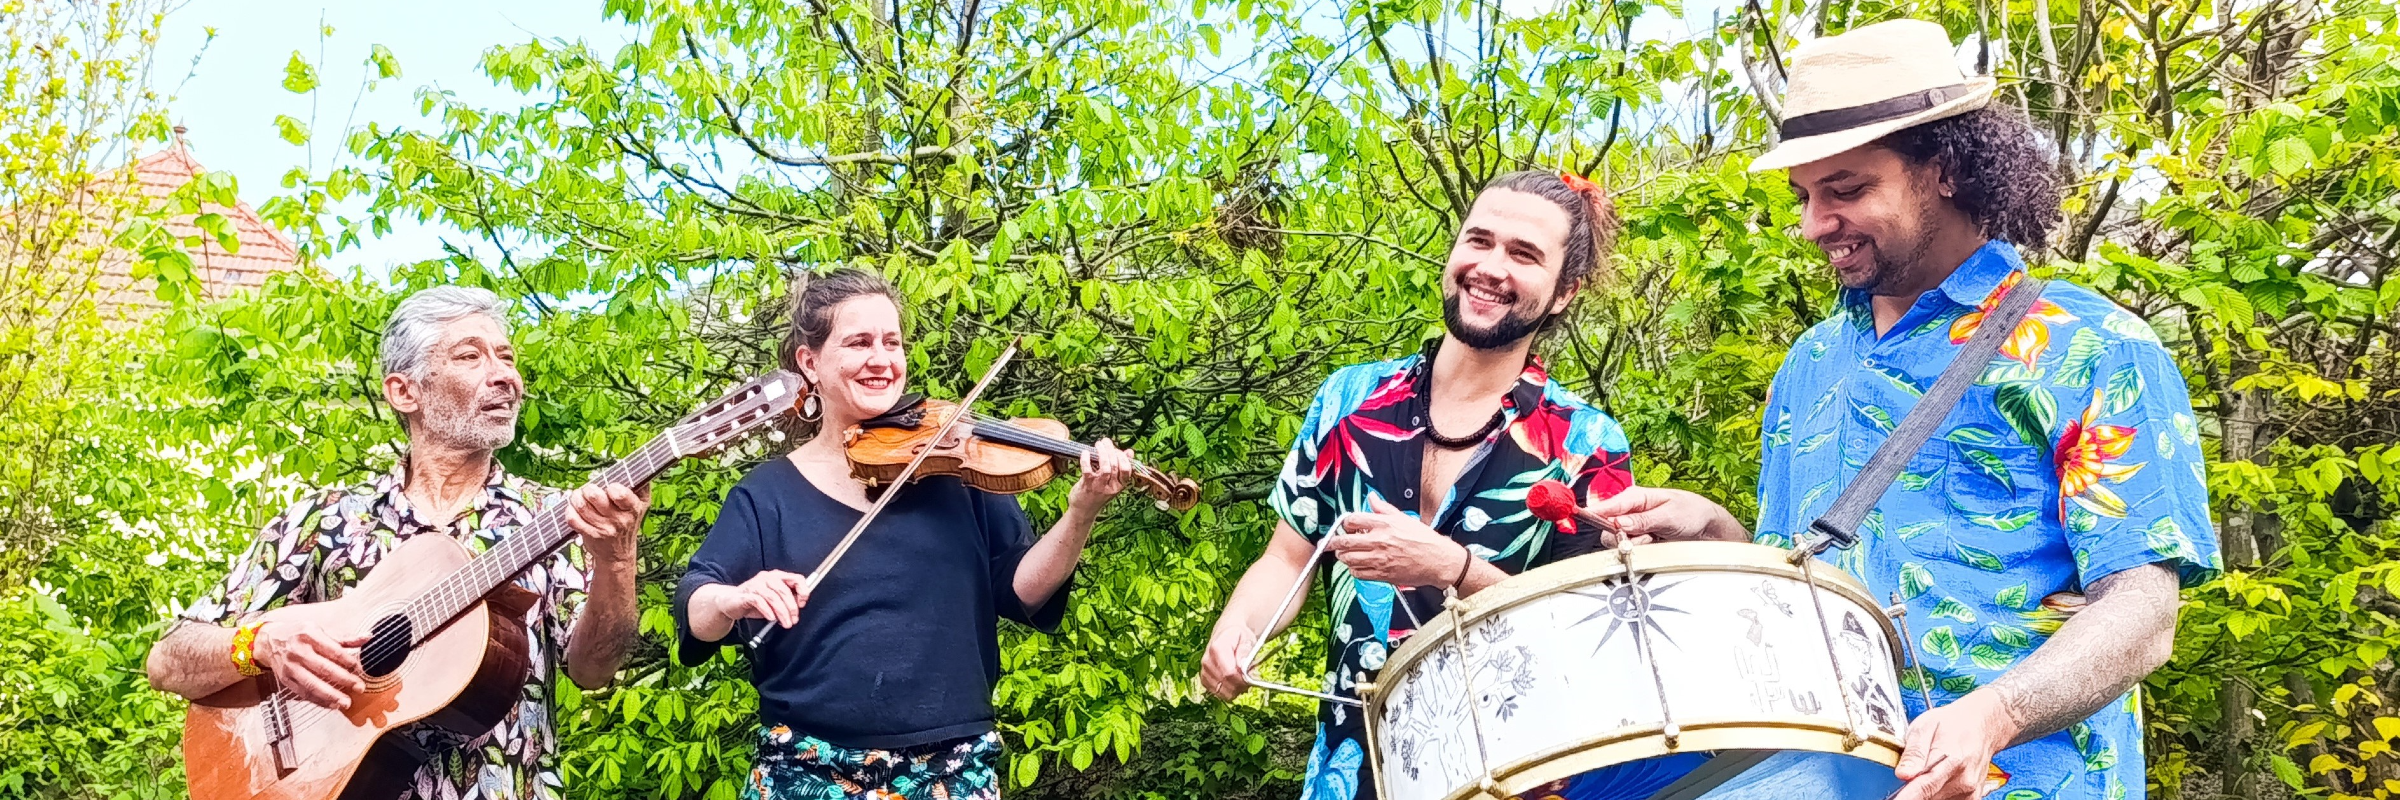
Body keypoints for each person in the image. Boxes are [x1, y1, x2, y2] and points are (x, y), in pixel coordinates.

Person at [1587, 19, 2220, 800]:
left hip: (2020, 781)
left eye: (1847, 189)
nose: (1816, 224)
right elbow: (1815, 595)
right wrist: (1721, 535)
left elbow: (2143, 611)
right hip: (1815, 776)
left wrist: (1994, 714)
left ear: (1945, 168)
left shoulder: (2093, 347)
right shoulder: (1812, 362)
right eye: (1806, 196)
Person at [1198, 170, 1635, 800]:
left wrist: (1454, 568)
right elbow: (1286, 558)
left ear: (1564, 292)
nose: (1489, 266)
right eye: (1478, 240)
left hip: (1501, 780)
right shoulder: (1349, 399)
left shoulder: (1586, 443)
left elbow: (1584, 637)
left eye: (1523, 254)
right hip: (1346, 773)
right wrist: (1239, 630)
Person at [146, 286, 651, 799]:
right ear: (404, 391)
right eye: (470, 356)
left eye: (507, 357)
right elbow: (168, 660)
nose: (505, 376)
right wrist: (261, 645)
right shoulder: (328, 518)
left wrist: (616, 561)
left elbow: (594, 669)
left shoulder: (555, 517)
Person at [673, 268, 1138, 800]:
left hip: (952, 769)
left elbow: (1021, 590)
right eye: (859, 342)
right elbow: (696, 610)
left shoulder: (953, 466)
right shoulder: (767, 494)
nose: (882, 359)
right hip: (807, 768)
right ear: (810, 362)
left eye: (892, 342)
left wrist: (1081, 512)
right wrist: (733, 597)